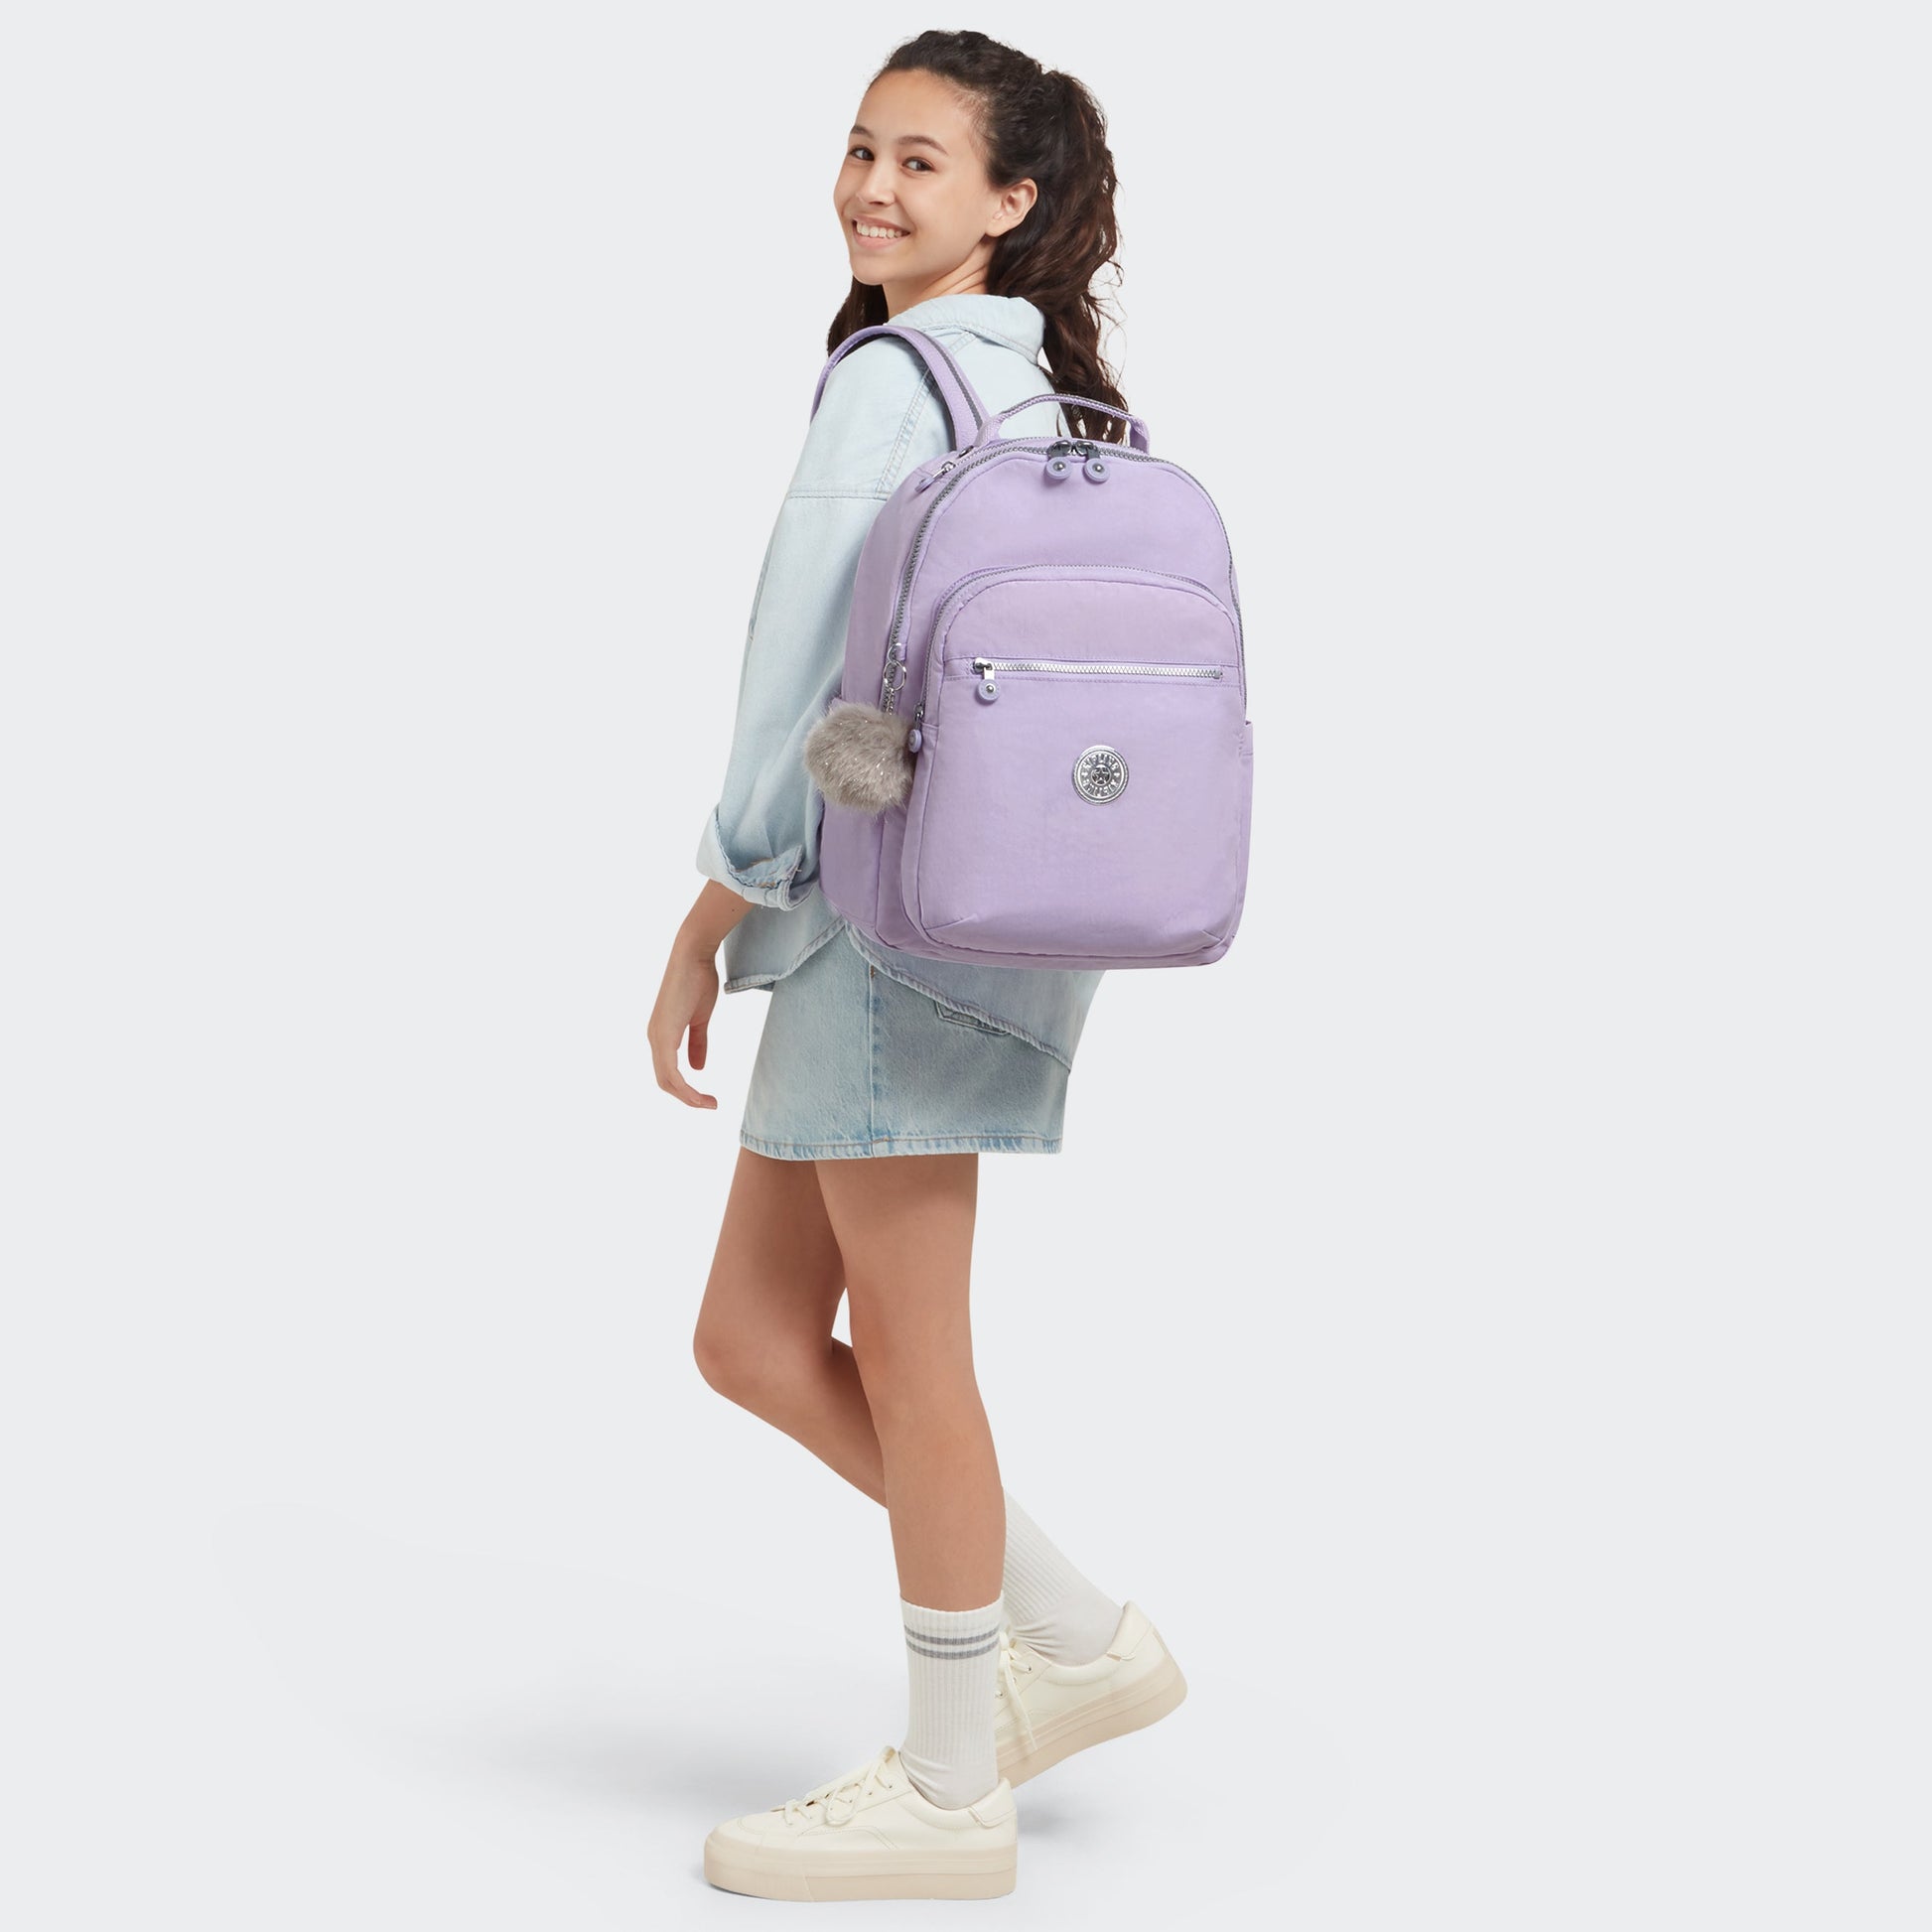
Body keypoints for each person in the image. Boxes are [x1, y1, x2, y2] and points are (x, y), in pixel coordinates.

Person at [648, 31, 1185, 1903]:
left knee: (911, 1349)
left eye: (923, 162)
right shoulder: (1043, 393)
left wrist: (717, 900)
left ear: (1009, 203)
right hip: (981, 908)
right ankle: (1071, 1633)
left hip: (880, 917)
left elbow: (799, 663)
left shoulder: (899, 380)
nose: (874, 188)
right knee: (750, 1336)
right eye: (861, 149)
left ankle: (953, 1785)